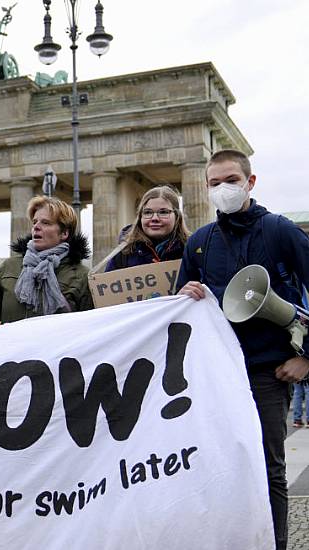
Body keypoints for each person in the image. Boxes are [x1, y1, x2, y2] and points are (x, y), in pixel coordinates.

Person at [178, 149, 309, 550]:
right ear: (205, 187)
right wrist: (183, 294)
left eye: (231, 180)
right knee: (220, 468)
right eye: (215, 183)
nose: (223, 189)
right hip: (218, 375)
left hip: (269, 372)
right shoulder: (200, 243)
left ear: (250, 182)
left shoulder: (280, 231)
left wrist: (307, 357)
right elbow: (179, 309)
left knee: (270, 471)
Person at [0, 196, 93, 324]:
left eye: (46, 223)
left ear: (64, 233)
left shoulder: (81, 275)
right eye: (35, 222)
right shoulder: (10, 266)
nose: (36, 227)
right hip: (12, 343)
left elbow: (89, 326)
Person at [104, 186, 189, 271]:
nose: (154, 218)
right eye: (148, 212)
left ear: (177, 216)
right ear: (140, 217)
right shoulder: (122, 255)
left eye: (163, 212)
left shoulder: (192, 250)